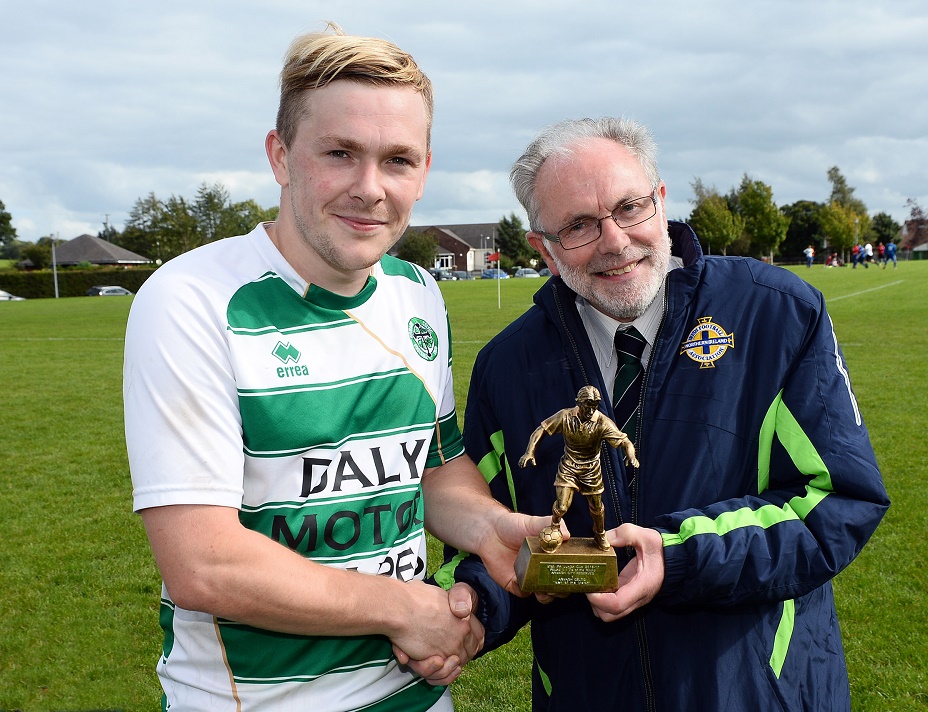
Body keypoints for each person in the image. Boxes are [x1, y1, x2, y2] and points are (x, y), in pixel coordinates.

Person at [123, 23, 545, 711]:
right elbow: (203, 562)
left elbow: (433, 470)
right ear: (281, 155)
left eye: (398, 160)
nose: (370, 188)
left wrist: (490, 527)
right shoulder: (192, 300)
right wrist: (401, 608)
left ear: (426, 169)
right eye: (340, 153)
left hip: (417, 694)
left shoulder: (417, 293)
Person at [444, 117, 889, 711]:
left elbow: (838, 501)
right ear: (543, 249)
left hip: (755, 694)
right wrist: (472, 608)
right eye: (578, 226)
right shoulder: (507, 365)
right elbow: (492, 532)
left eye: (630, 208)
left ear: (660, 200)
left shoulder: (775, 315)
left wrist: (676, 555)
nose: (615, 241)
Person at [519, 385, 639, 551]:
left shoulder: (602, 422)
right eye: (587, 406)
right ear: (578, 403)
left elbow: (624, 441)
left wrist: (631, 456)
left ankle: (600, 533)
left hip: (591, 469)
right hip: (569, 466)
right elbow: (541, 430)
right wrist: (529, 452)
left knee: (596, 507)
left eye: (594, 407)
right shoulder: (565, 416)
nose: (590, 411)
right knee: (561, 506)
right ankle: (554, 527)